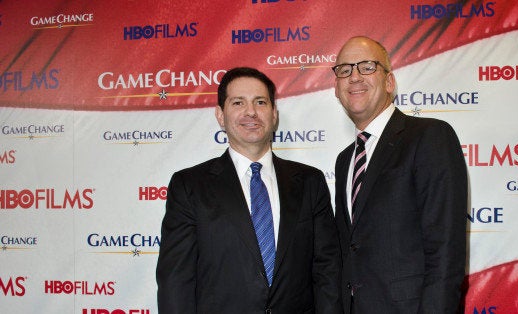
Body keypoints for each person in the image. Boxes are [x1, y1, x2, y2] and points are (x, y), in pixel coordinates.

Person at [157, 67, 342, 313]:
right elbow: (176, 281)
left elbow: (327, 270)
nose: (251, 112)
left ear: (274, 114)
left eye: (260, 102)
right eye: (238, 103)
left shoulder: (310, 182)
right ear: (220, 115)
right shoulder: (190, 186)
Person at [332, 36, 468, 313]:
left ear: (390, 82)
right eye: (344, 70)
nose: (354, 76)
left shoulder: (430, 137)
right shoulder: (345, 160)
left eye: (367, 67)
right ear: (336, 89)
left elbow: (445, 250)